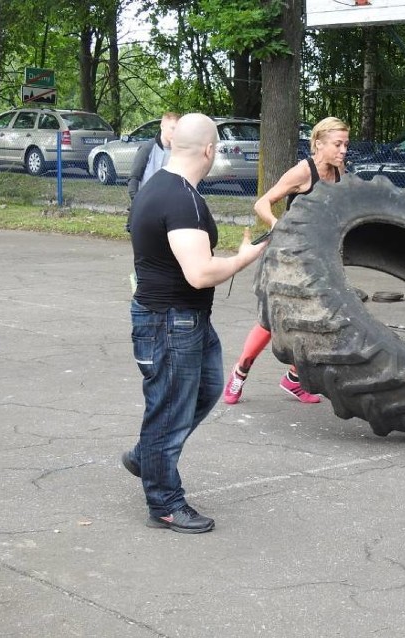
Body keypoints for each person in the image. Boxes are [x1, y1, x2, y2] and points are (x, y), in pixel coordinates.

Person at [124, 113, 268, 533]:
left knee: (204, 391)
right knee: (168, 410)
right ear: (209, 150)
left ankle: (146, 456)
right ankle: (165, 502)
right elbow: (200, 273)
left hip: (183, 319)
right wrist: (244, 258)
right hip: (171, 321)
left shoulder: (160, 188)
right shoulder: (180, 199)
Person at [223, 116, 350, 406]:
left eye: (345, 144)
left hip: (318, 257)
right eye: (337, 144)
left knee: (321, 320)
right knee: (271, 322)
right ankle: (239, 374)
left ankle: (293, 380)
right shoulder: (302, 172)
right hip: (284, 256)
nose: (343, 150)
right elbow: (261, 203)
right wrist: (278, 223)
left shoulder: (340, 171)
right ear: (318, 143)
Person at [128, 112, 180, 203]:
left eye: (178, 129)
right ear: (162, 126)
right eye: (172, 128)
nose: (175, 132)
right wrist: (136, 201)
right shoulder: (147, 148)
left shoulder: (180, 151)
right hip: (146, 202)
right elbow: (134, 177)